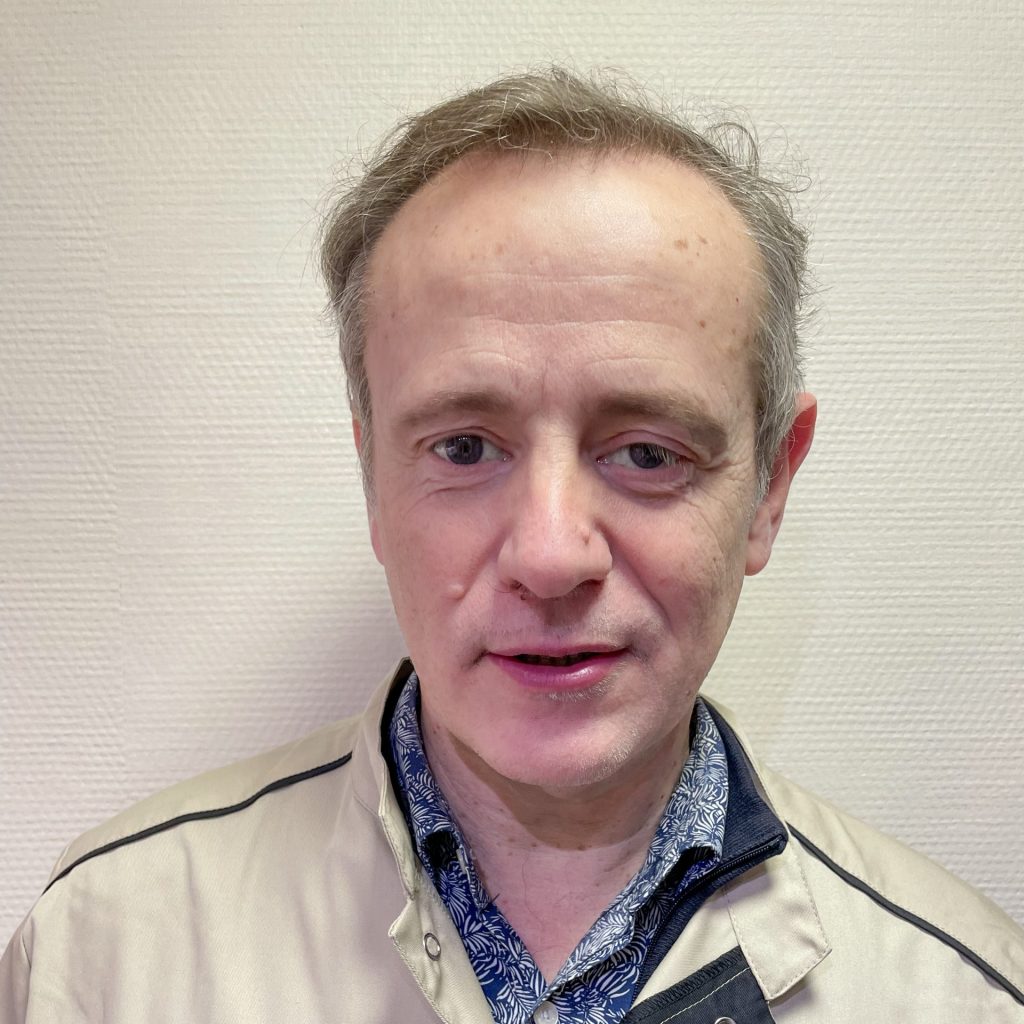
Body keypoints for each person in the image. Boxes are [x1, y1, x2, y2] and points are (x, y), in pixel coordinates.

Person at [2, 68, 1022, 1023]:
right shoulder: (98, 961)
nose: (549, 555)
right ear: (373, 476)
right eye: (463, 447)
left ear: (769, 487)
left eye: (646, 453)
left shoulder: (963, 996)